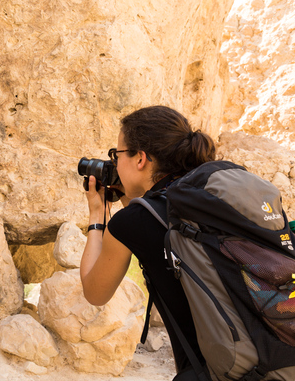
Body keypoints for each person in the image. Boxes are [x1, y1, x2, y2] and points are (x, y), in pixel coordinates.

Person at [79, 105, 216, 381]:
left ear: (140, 159)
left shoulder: (133, 222)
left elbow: (95, 292)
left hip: (218, 371)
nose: (114, 164)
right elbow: (154, 217)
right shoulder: (206, 194)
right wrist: (131, 197)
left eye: (116, 155)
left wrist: (97, 216)